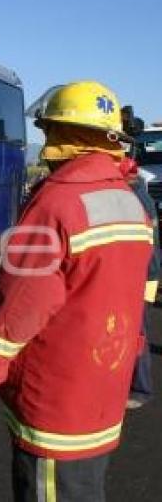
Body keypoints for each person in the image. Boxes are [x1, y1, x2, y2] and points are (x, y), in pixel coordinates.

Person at [0, 81, 154, 501]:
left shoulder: (56, 203)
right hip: (104, 384)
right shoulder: (127, 200)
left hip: (56, 397)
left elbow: (24, 301)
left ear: (64, 135)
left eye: (49, 128)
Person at [120, 110, 160, 408]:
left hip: (145, 270)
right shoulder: (135, 185)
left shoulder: (134, 188)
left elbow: (148, 239)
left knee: (138, 328)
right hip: (145, 268)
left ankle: (140, 389)